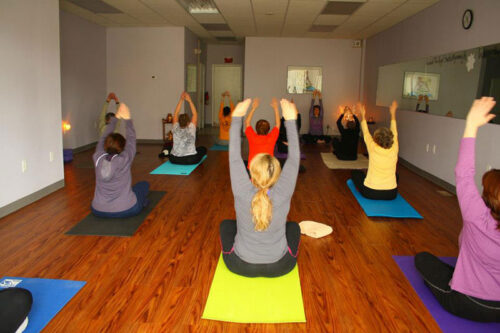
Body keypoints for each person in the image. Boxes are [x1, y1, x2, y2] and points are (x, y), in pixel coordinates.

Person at [415, 97, 500, 322]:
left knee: (422, 259)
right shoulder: (476, 217)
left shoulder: (477, 217)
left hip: (468, 302)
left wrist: (471, 125)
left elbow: (463, 172)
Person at [220, 98, 301, 277]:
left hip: (240, 265)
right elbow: (294, 158)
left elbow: (234, 157)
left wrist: (237, 118)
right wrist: (290, 120)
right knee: (294, 227)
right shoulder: (283, 192)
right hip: (280, 266)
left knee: (226, 225)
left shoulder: (242, 190)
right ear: (277, 174)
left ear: (252, 172)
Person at [91, 103, 150, 218]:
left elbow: (103, 137)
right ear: (122, 147)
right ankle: (142, 203)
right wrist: (127, 119)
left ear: (105, 145)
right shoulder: (125, 158)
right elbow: (131, 139)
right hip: (126, 209)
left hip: (98, 209)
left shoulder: (97, 157)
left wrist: (116, 118)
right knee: (144, 185)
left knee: (134, 189)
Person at [351, 101, 398, 200]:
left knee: (355, 173)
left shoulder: (373, 147)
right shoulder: (394, 147)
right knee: (396, 175)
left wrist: (363, 115)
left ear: (376, 139)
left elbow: (366, 132)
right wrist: (393, 113)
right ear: (391, 138)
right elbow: (394, 130)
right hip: (391, 194)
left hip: (371, 192)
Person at [169, 92, 207, 165]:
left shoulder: (175, 127)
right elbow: (195, 114)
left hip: (174, 159)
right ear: (188, 122)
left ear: (178, 122)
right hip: (190, 159)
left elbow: (176, 114)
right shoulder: (191, 127)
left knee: (170, 150)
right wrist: (189, 100)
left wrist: (181, 100)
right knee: (202, 149)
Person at [244, 97, 280, 167]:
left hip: (253, 169)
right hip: (268, 168)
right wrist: (276, 108)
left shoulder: (252, 137)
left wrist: (254, 108)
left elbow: (247, 122)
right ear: (268, 129)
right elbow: (278, 124)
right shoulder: (272, 137)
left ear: (256, 128)